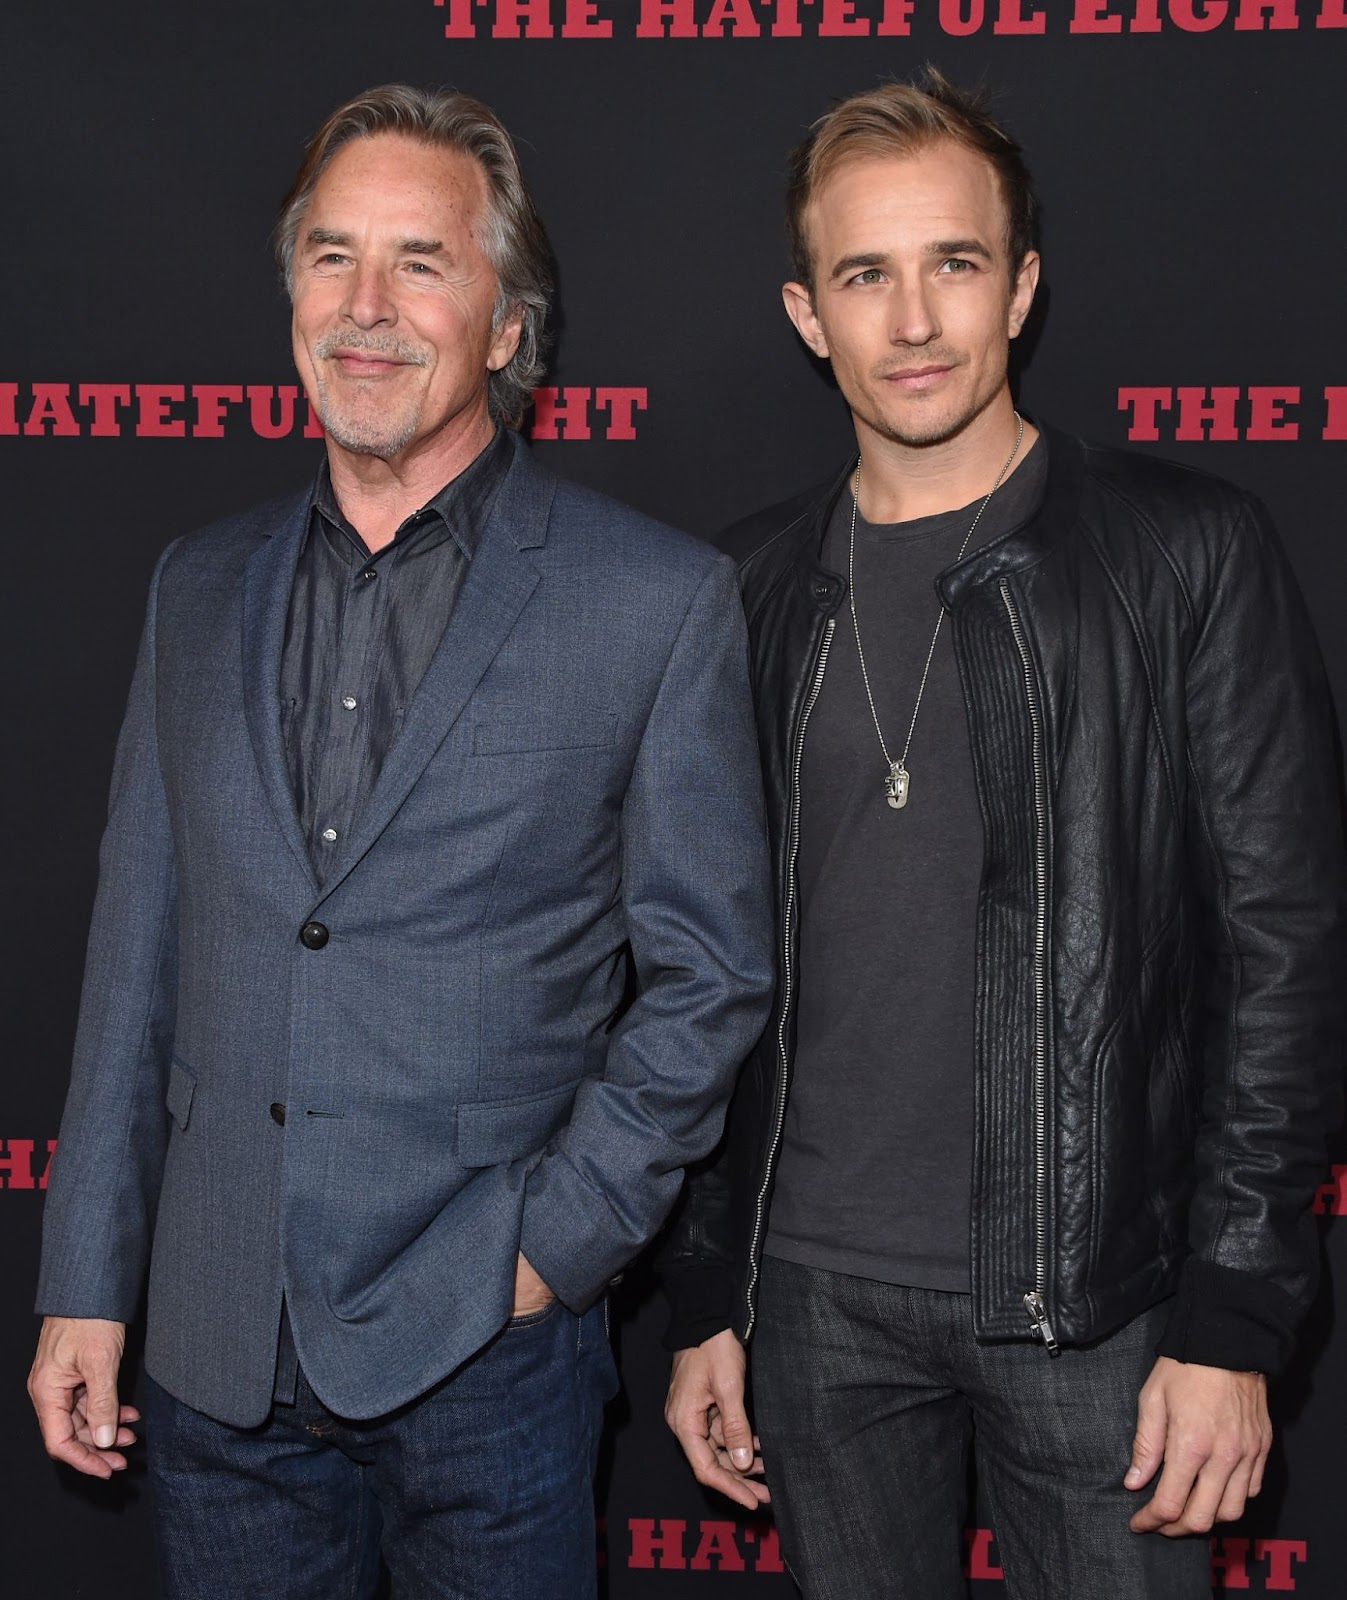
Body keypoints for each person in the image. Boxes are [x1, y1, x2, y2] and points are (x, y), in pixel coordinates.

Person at [29, 83, 773, 1600]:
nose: (366, 309)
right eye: (331, 257)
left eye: (421, 263)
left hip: (484, 1353)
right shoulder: (197, 586)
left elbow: (712, 979)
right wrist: (87, 1283)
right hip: (215, 1346)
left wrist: (552, 1250)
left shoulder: (651, 600)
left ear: (507, 326)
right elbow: (135, 956)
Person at [661, 69, 1346, 1600]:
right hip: (812, 1300)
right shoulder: (743, 589)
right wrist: (708, 1286)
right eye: (866, 275)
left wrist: (1237, 1317)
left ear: (1021, 286)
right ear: (805, 311)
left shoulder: (1186, 556)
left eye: (953, 264)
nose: (912, 321)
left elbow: (1284, 955)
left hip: (1101, 1302)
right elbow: (700, 968)